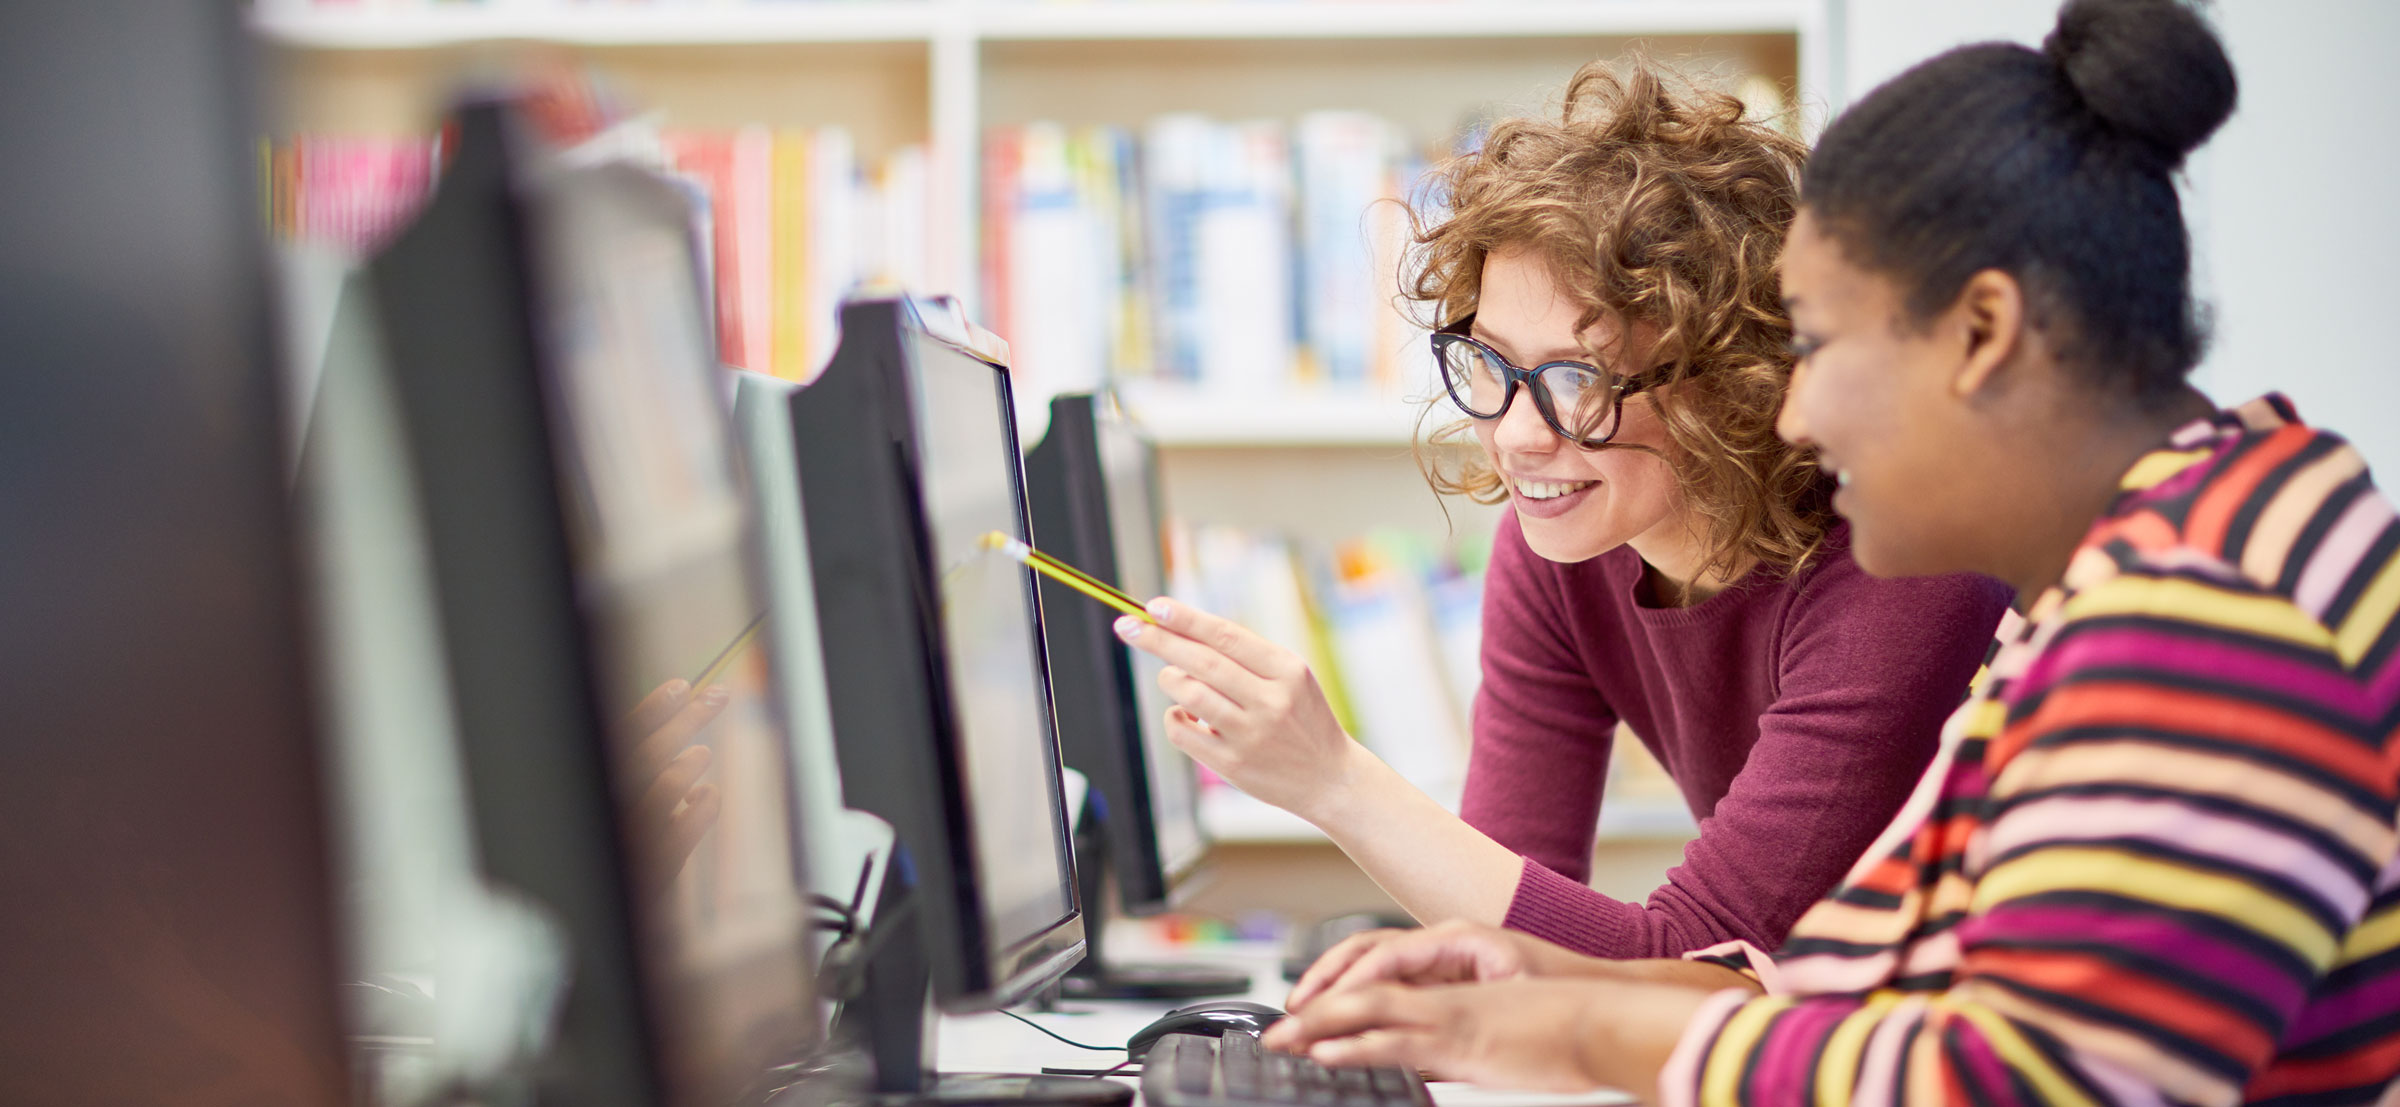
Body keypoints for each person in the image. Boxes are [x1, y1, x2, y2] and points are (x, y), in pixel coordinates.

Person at [1263, 2, 2400, 1104]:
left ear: (1983, 336)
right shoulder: (2146, 569)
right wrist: (1541, 982)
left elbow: (2006, 1083)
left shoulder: (2207, 620)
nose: (1791, 415)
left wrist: (1581, 1022)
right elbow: (1882, 975)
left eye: (1819, 346)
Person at [1117, 58, 2012, 960]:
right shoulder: (1558, 549)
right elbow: (1509, 910)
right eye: (1495, 365)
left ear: (1735, 382)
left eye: (1576, 380)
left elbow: (1700, 960)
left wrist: (1338, 780)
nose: (1516, 436)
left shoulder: (1902, 566)